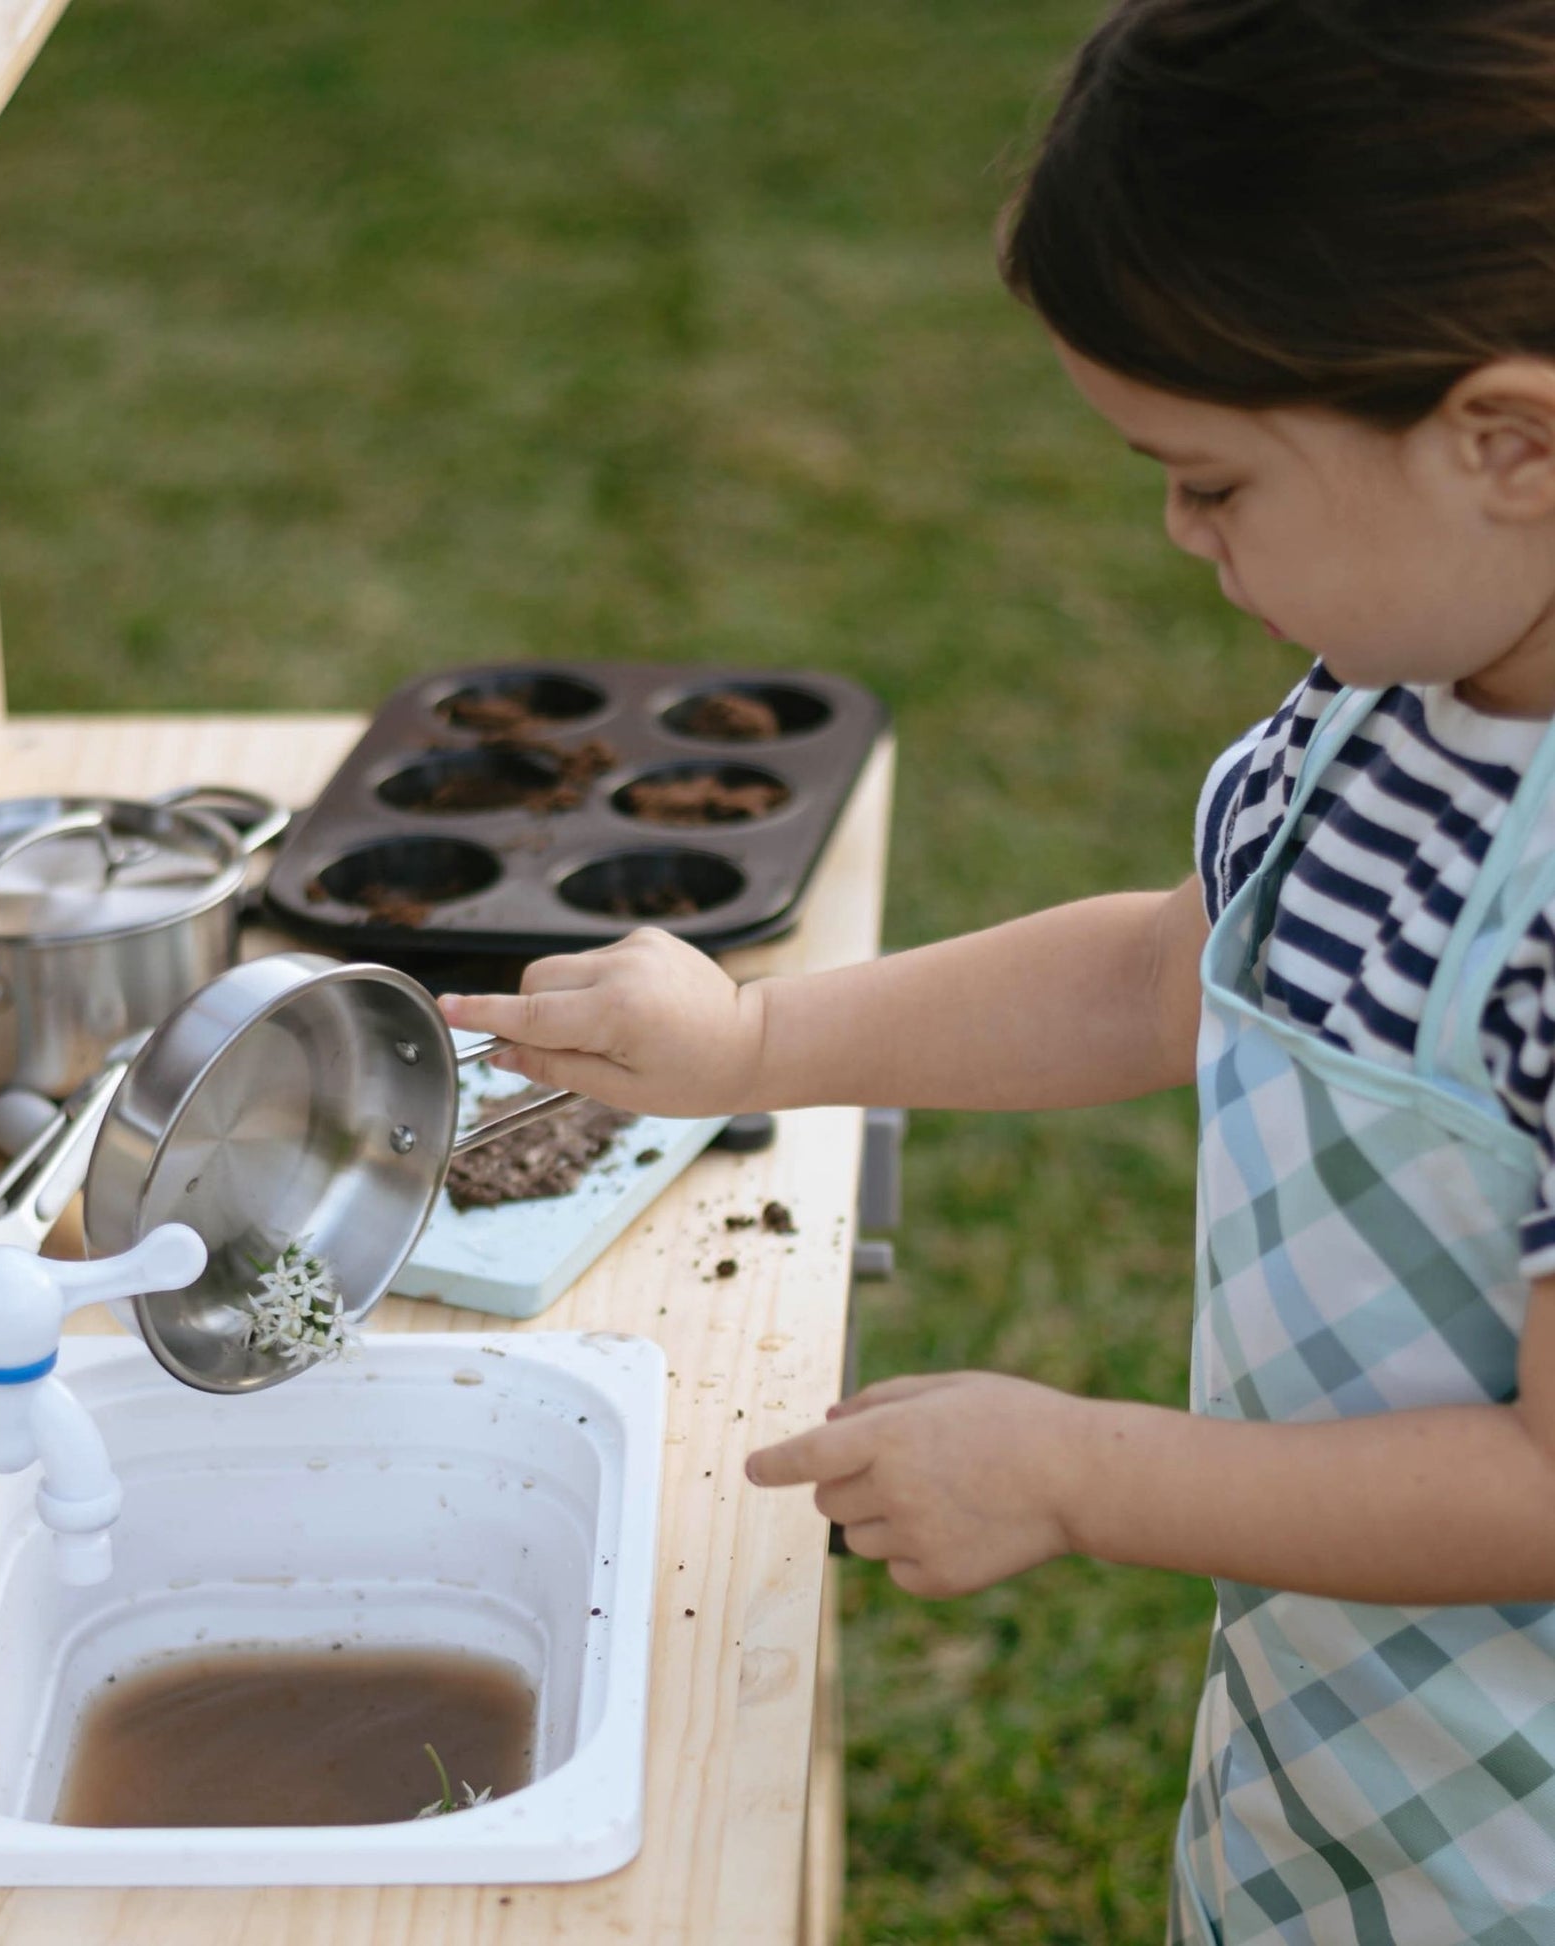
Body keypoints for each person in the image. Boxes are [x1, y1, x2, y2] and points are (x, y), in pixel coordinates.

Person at [441, 3, 1555, 1938]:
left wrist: (1079, 1470)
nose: (1175, 533)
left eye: (1210, 480)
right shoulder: (1393, 703)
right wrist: (757, 1035)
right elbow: (1166, 975)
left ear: (1505, 443)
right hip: (1353, 1718)